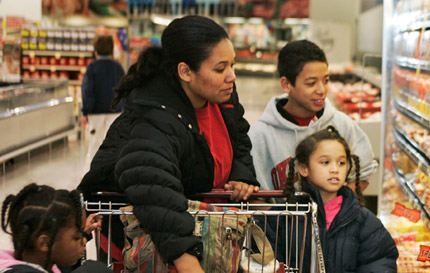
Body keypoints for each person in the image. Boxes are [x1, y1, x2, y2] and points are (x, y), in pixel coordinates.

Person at [77, 15, 259, 272]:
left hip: (200, 233)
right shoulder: (154, 117)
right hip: (142, 242)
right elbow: (153, 187)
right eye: (220, 68)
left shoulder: (223, 97)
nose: (232, 76)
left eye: (233, 65)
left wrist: (242, 173)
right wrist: (187, 261)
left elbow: (239, 137)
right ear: (185, 71)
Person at [248, 40, 378, 193]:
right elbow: (253, 194)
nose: (321, 90)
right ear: (286, 84)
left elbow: (363, 173)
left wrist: (337, 210)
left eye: (326, 80)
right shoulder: (260, 135)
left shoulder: (341, 124)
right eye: (311, 83)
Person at [267, 126, 398, 272]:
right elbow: (264, 261)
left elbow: (380, 263)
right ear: (304, 169)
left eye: (341, 163)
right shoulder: (283, 217)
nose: (335, 169)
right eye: (325, 162)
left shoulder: (364, 222)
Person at [0, 183, 109, 273]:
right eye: (76, 237)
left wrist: (84, 233)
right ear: (44, 243)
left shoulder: (38, 261)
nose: (83, 242)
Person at [80, 35, 125, 170]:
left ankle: (90, 174)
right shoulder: (118, 67)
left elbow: (88, 91)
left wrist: (85, 112)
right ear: (112, 49)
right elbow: (124, 89)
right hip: (115, 112)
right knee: (114, 145)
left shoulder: (92, 68)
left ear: (96, 50)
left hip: (96, 113)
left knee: (95, 144)